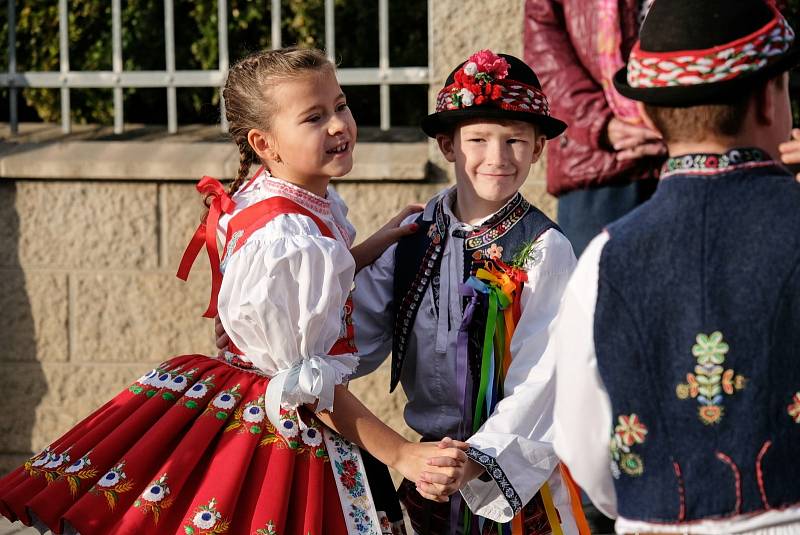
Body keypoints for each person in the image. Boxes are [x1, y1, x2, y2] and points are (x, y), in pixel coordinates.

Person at [0, 47, 466, 535]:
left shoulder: (277, 194)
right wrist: (402, 454)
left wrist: (376, 242)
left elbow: (322, 274)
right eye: (314, 116)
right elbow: (308, 388)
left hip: (241, 385)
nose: (338, 125)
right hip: (283, 416)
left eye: (341, 105)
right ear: (265, 142)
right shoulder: (289, 239)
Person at [546, 0, 800, 533]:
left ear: (656, 117)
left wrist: (659, 504)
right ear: (766, 100)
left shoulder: (601, 260)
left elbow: (579, 441)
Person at [351, 50, 584, 535]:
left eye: (515, 140)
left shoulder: (545, 250)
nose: (497, 158)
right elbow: (355, 337)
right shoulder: (414, 235)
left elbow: (544, 378)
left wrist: (476, 461)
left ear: (539, 147)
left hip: (513, 484)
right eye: (478, 139)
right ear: (447, 145)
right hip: (428, 471)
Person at [525, 0, 667, 257]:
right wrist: (600, 123)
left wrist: (688, 116)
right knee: (592, 291)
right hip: (597, 166)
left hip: (692, 152)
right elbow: (544, 45)